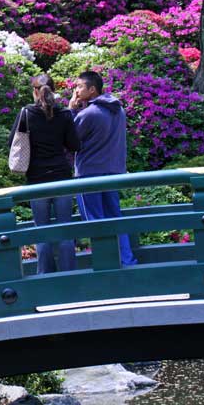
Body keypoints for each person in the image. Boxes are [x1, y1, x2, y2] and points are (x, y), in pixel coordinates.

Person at [10, 75, 81, 274]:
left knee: (41, 230)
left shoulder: (26, 113)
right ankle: (70, 275)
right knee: (65, 229)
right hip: (61, 177)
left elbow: (12, 144)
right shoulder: (65, 114)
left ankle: (45, 277)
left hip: (37, 179)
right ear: (54, 90)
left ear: (34, 91)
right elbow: (75, 145)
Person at [69, 70, 137, 266]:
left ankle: (106, 265)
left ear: (92, 90)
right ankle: (127, 261)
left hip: (89, 174)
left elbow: (71, 140)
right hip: (113, 172)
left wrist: (72, 110)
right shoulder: (119, 110)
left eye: (79, 86)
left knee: (94, 221)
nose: (76, 90)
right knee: (115, 218)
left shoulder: (89, 113)